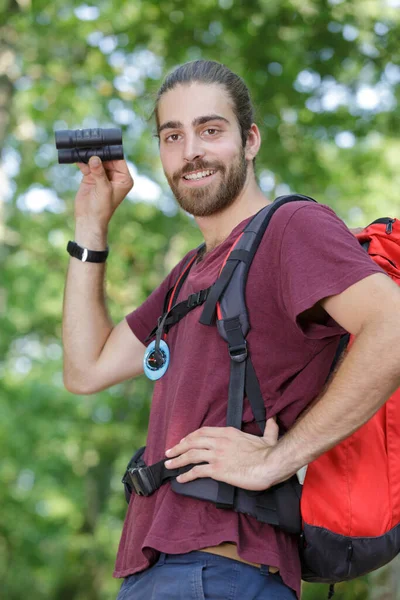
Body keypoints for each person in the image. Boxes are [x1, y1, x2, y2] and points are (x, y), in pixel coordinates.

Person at [62, 60, 400, 599]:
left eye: (210, 130)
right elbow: (86, 368)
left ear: (250, 140)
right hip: (156, 571)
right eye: (173, 135)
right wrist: (91, 225)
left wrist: (279, 458)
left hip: (220, 572)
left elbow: (393, 325)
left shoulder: (292, 228)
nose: (190, 149)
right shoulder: (190, 273)